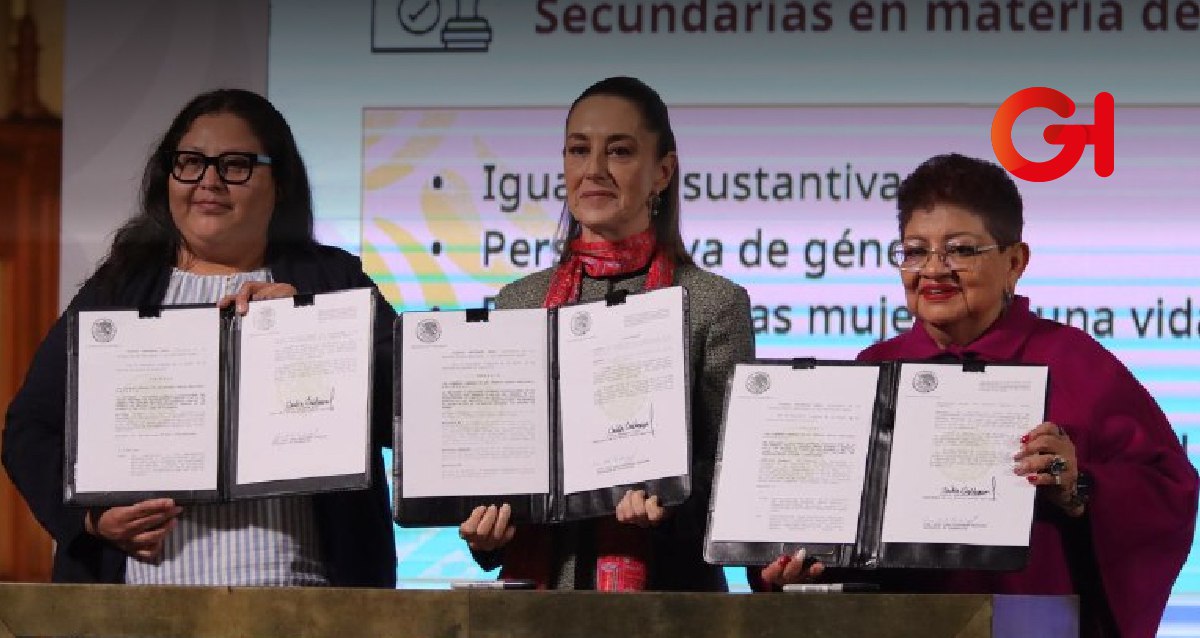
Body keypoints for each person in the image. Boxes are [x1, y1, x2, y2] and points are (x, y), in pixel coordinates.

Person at [754, 153, 1198, 637]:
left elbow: (1170, 493)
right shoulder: (873, 368)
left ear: (1014, 262)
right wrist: (800, 568)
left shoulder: (1073, 361)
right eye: (914, 251)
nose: (933, 270)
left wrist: (1079, 488)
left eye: (960, 250)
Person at [2, 88, 397, 586]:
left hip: (305, 601)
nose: (209, 181)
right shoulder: (118, 288)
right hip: (141, 606)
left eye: (236, 165)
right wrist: (91, 519)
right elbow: (29, 430)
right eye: (190, 162)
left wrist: (312, 330)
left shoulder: (329, 280)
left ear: (280, 182)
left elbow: (401, 413)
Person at [457, 76, 754, 591]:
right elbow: (501, 468)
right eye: (578, 150)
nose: (593, 169)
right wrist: (488, 532)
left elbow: (730, 476)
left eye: (619, 151)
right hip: (536, 607)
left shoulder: (713, 304)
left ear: (662, 171)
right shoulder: (517, 303)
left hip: (669, 603)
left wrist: (669, 503)